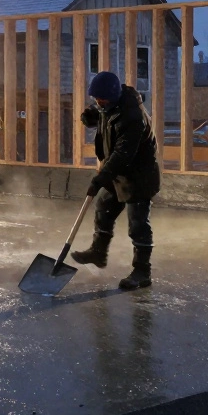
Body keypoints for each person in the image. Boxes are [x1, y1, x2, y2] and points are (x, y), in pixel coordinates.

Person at [71, 70, 161, 290]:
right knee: (103, 207)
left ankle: (142, 271)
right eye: (95, 99)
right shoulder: (111, 105)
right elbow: (105, 116)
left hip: (139, 176)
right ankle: (98, 253)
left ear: (112, 96)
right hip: (118, 173)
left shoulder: (132, 117)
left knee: (137, 224)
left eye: (101, 100)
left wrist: (100, 178)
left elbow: (122, 154)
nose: (97, 102)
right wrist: (93, 116)